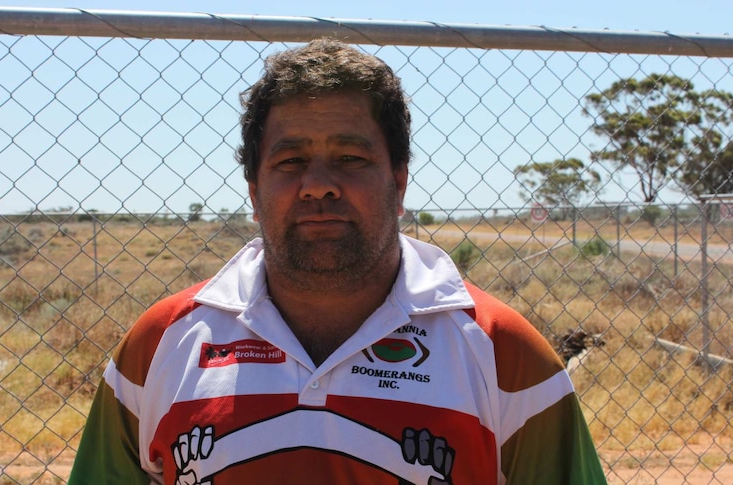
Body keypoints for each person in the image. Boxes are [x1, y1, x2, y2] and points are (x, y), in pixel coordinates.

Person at [69, 37, 606, 485]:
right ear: (254, 191)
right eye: (291, 160)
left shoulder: (501, 351)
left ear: (397, 182)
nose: (319, 185)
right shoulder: (161, 342)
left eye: (350, 158)